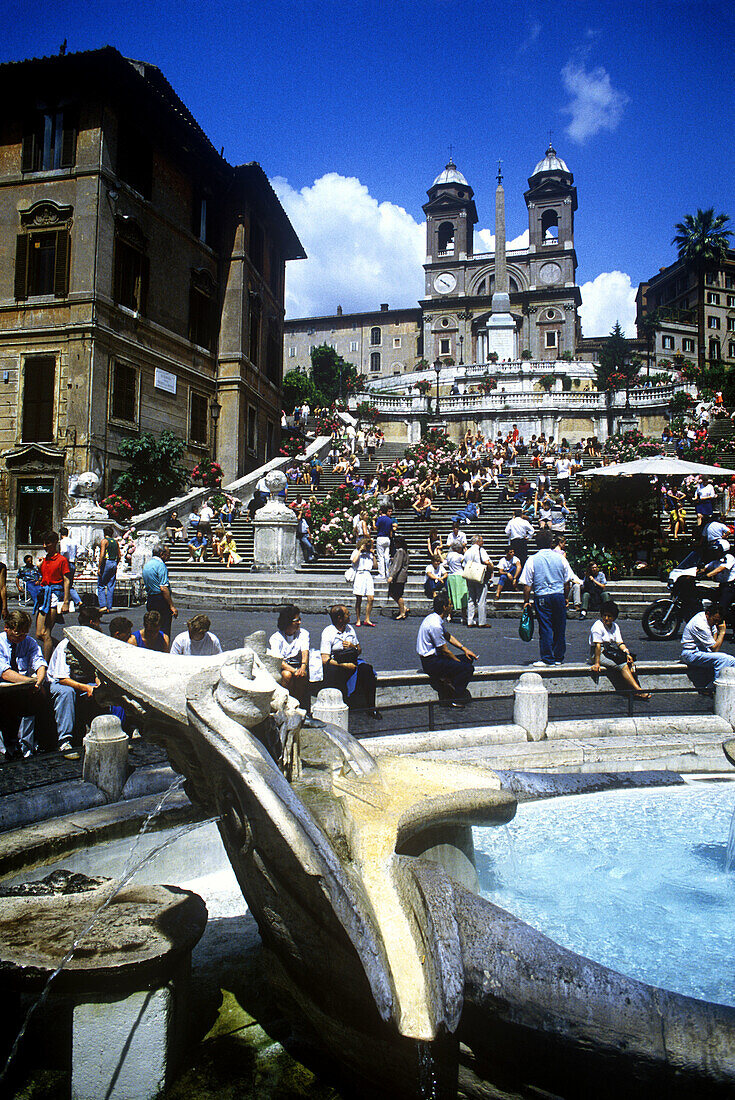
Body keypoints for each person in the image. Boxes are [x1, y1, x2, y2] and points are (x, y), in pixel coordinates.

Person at [47, 604, 105, 756]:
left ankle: (103, 733)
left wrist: (98, 685)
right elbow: (62, 679)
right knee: (67, 693)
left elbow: (97, 671)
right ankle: (64, 741)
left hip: (84, 681)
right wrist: (87, 688)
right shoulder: (65, 645)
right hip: (62, 682)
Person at [0, 610, 48, 759]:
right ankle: (4, 749)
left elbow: (39, 662)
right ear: (6, 628)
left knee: (32, 702)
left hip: (24, 686)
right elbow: (5, 672)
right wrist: (30, 681)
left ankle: (26, 747)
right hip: (4, 686)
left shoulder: (29, 642)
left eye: (24, 634)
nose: (21, 638)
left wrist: (38, 682)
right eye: (17, 634)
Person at [520, 536, 575, 666]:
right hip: (558, 594)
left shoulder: (532, 559)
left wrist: (526, 601)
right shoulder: (561, 558)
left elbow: (527, 584)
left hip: (542, 596)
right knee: (560, 626)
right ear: (551, 543)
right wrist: (566, 597)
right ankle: (558, 657)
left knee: (546, 627)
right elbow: (567, 581)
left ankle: (547, 657)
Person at [416, 592, 477, 708]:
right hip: (431, 662)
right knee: (468, 668)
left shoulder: (434, 618)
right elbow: (445, 651)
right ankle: (455, 697)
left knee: (468, 659)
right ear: (444, 607)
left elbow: (448, 636)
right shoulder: (435, 625)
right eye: (450, 604)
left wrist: (465, 650)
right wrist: (458, 662)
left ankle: (448, 680)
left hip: (435, 658)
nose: (451, 606)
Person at [320, 605, 381, 719]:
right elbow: (325, 659)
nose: (350, 616)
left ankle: (371, 708)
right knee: (335, 672)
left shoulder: (350, 629)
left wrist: (353, 647)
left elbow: (359, 650)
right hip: (338, 663)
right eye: (347, 614)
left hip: (353, 660)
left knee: (367, 670)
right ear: (340, 618)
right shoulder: (328, 632)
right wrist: (344, 665)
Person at [589, 601, 650, 700]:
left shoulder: (615, 626)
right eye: (604, 615)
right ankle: (638, 691)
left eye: (609, 616)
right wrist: (597, 663)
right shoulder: (597, 626)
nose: (606, 618)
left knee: (630, 663)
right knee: (622, 665)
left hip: (609, 650)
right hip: (598, 653)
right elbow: (598, 646)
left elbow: (620, 643)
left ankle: (632, 689)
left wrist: (627, 653)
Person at [680, 603, 735, 694]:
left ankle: (713, 686)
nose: (716, 623)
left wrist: (716, 630)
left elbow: (713, 641)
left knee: (730, 660)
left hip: (701, 651)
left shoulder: (708, 619)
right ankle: (717, 688)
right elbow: (715, 649)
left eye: (718, 621)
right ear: (708, 614)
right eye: (715, 620)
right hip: (690, 654)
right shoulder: (700, 624)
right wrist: (722, 632)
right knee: (726, 659)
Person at [35, 531, 71, 662]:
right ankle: (63, 648)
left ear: (55, 543)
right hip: (44, 596)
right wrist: (39, 568)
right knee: (39, 634)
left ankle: (46, 663)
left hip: (54, 596)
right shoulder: (44, 560)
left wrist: (66, 601)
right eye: (43, 543)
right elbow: (44, 577)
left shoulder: (62, 560)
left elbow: (66, 580)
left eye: (48, 543)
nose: (45, 546)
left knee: (46, 632)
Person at [268, 603, 310, 707]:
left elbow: (305, 651)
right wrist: (294, 670)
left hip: (299, 665)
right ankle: (286, 703)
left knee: (302, 676)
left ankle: (297, 702)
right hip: (284, 667)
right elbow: (278, 660)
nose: (299, 622)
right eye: (296, 620)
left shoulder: (303, 633)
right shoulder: (276, 638)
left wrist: (303, 667)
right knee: (287, 675)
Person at [142, 544, 177, 641]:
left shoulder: (147, 565)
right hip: (160, 600)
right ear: (162, 554)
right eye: (168, 554)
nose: (169, 556)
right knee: (164, 627)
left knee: (152, 626)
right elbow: (163, 588)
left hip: (151, 598)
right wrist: (171, 605)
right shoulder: (161, 566)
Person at [462, 535, 492, 628]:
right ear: (478, 542)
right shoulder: (480, 550)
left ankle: (470, 621)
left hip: (470, 576)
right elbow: (486, 561)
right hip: (479, 575)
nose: (483, 543)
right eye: (482, 541)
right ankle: (481, 621)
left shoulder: (468, 551)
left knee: (471, 598)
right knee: (481, 599)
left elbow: (463, 564)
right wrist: (491, 568)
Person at [351, 538, 375, 627]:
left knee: (371, 598)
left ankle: (367, 619)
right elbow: (354, 561)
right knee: (359, 598)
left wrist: (373, 555)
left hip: (368, 574)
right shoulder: (356, 552)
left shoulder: (369, 553)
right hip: (360, 574)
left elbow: (375, 566)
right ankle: (358, 619)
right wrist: (360, 551)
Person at [97, 525, 121, 612]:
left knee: (101, 585)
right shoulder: (115, 542)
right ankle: (109, 606)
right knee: (111, 585)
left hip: (106, 562)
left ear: (104, 533)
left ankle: (103, 605)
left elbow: (102, 554)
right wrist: (116, 564)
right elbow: (119, 555)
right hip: (114, 562)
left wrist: (99, 567)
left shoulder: (104, 541)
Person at [387, 535, 410, 620]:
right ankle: (403, 608)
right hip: (402, 576)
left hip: (399, 577)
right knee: (394, 593)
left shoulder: (400, 551)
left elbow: (397, 565)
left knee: (397, 594)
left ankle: (402, 612)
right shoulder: (405, 551)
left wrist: (392, 576)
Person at [375, 505, 396, 580]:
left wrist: (373, 521)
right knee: (387, 556)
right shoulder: (389, 520)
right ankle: (388, 572)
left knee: (380, 557)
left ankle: (381, 573)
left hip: (380, 537)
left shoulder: (379, 519)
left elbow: (376, 527)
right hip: (387, 538)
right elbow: (391, 531)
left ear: (380, 511)